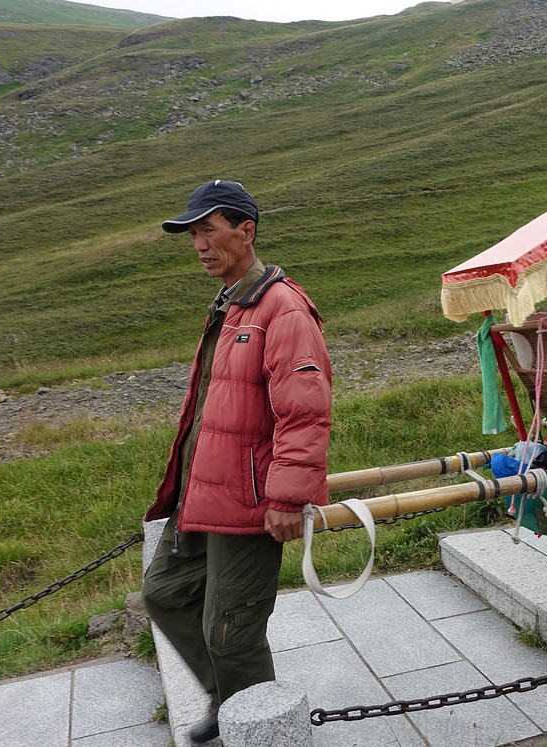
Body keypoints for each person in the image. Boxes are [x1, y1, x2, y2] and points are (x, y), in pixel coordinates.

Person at [141, 180, 332, 743]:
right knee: (166, 593)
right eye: (193, 234)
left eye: (209, 230)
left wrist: (287, 497)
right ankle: (238, 707)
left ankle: (263, 730)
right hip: (206, 489)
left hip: (250, 499)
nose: (199, 244)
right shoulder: (232, 302)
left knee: (232, 631)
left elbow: (305, 411)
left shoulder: (283, 307)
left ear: (246, 231)